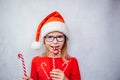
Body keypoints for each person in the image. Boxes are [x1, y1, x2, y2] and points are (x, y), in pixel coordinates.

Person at [22, 11, 81, 80]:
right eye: (50, 37)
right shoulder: (36, 61)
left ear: (65, 40)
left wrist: (65, 79)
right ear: (43, 40)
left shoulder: (72, 61)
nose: (55, 42)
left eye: (59, 37)